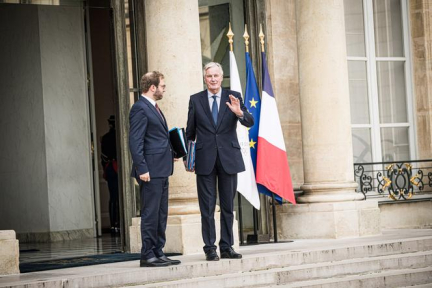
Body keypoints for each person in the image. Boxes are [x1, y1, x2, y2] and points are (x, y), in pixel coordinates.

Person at [185, 62, 254, 261]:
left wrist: (239, 112)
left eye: (216, 75)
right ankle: (210, 248)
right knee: (206, 208)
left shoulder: (233, 97)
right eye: (209, 76)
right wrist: (188, 158)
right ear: (205, 78)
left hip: (228, 159)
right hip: (204, 160)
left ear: (221, 76)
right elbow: (190, 131)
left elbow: (249, 121)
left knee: (227, 206)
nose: (213, 79)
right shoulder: (195, 100)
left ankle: (226, 246)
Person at [129, 71, 180, 267]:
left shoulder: (154, 107)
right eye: (162, 86)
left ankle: (158, 251)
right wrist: (142, 168)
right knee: (150, 213)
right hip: (149, 171)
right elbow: (135, 141)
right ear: (153, 87)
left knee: (161, 213)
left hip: (162, 168)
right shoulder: (140, 108)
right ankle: (147, 254)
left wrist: (171, 152)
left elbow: (156, 138)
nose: (164, 89)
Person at [101, 115, 119, 234]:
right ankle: (116, 224)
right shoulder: (118, 137)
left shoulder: (105, 138)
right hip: (115, 167)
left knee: (113, 197)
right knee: (116, 197)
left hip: (110, 168)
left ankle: (114, 224)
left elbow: (103, 157)